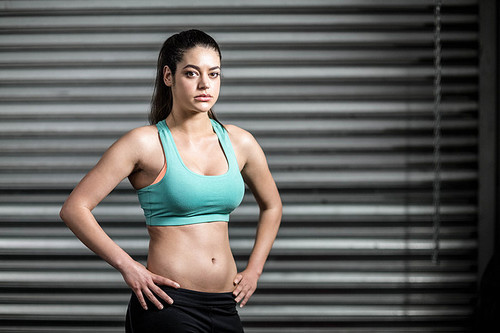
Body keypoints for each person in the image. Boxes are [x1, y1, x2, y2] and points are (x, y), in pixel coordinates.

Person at [59, 29, 282, 332]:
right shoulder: (144, 143)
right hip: (168, 305)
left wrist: (254, 269)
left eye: (213, 74)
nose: (205, 84)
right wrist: (129, 266)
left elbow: (272, 205)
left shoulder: (240, 141)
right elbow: (75, 208)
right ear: (169, 76)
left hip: (225, 306)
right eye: (192, 73)